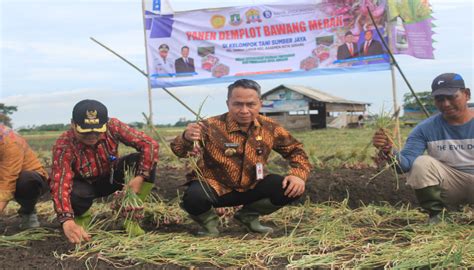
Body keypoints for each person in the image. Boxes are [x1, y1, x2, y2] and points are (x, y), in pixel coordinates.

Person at [170, 79, 312, 236]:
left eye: (250, 104)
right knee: (193, 197)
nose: (244, 110)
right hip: (216, 188)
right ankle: (209, 225)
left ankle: (248, 216)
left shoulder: (270, 128)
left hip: (253, 185)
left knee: (290, 188)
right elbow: (179, 151)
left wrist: (299, 174)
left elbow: (296, 150)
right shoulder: (209, 126)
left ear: (260, 103)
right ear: (228, 103)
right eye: (237, 104)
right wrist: (186, 137)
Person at [50, 99, 159, 244]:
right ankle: (80, 222)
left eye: (97, 131)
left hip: (111, 178)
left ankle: (131, 217)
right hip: (85, 186)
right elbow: (60, 183)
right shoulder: (64, 145)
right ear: (73, 124)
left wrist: (140, 176)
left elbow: (150, 145)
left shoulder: (113, 126)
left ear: (105, 124)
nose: (92, 136)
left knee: (142, 161)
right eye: (86, 132)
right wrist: (66, 219)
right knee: (72, 192)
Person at [373, 73, 474, 224]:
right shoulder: (425, 129)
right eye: (440, 99)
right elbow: (405, 165)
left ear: (467, 94)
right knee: (422, 163)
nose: (446, 104)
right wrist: (389, 150)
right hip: (451, 186)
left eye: (452, 97)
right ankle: (438, 216)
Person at [0, 124, 49, 228]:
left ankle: (28, 211)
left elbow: (8, 181)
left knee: (27, 181)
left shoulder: (10, 142)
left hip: (23, 179)